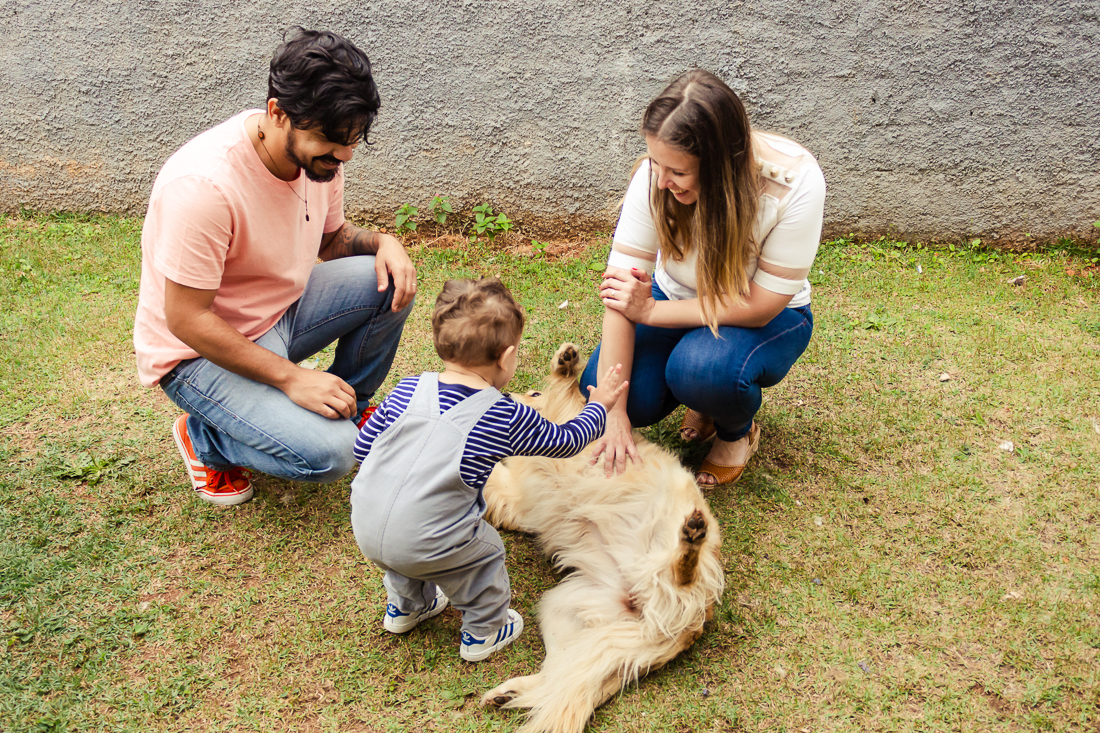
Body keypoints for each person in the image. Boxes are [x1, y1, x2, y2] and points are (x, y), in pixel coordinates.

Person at [133, 29, 417, 505]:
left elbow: (331, 240)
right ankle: (205, 439)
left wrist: (383, 242)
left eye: (352, 142)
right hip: (197, 353)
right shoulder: (204, 187)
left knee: (388, 277)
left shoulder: (321, 159)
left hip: (281, 311)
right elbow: (185, 318)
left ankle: (352, 406)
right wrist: (292, 378)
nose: (343, 156)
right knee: (332, 455)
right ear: (277, 113)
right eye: (330, 141)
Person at [350, 278, 627, 662]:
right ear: (507, 357)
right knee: (485, 551)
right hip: (429, 540)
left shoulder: (407, 388)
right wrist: (601, 405)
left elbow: (363, 447)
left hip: (366, 525)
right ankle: (486, 628)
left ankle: (405, 607)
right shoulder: (500, 413)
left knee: (402, 546)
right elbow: (567, 441)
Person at [581, 69, 826, 486]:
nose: (660, 181)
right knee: (606, 388)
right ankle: (698, 392)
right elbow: (622, 290)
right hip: (673, 295)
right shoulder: (656, 177)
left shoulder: (795, 182)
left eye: (676, 170)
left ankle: (735, 431)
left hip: (763, 313)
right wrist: (614, 409)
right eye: (655, 163)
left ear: (720, 163)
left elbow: (760, 305)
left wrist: (654, 312)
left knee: (702, 370)